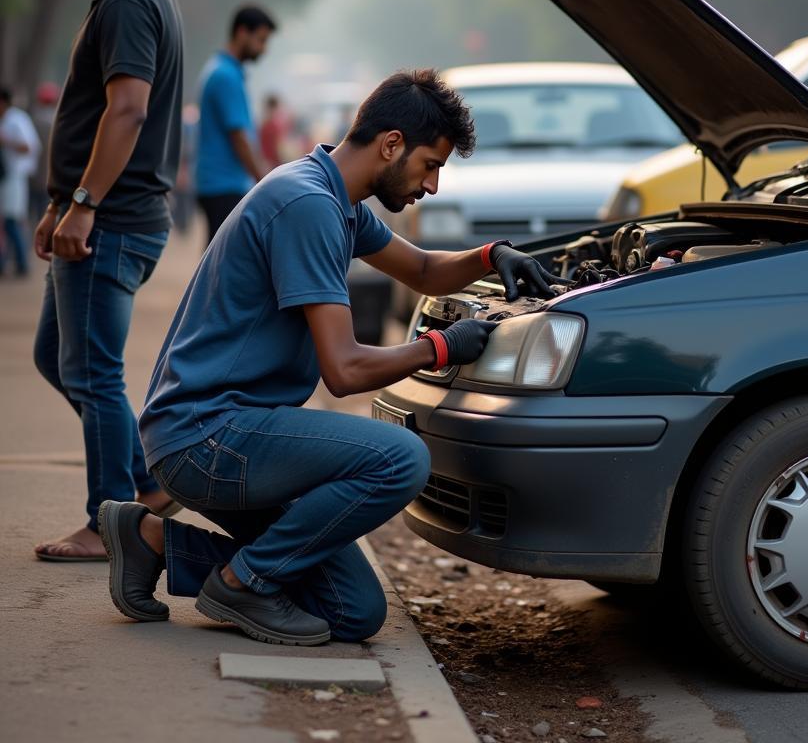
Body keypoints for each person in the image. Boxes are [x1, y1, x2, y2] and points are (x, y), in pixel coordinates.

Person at [97, 69, 567, 645]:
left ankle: (149, 541)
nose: (433, 186)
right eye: (431, 165)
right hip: (209, 439)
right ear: (391, 144)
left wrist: (492, 255)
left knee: (353, 612)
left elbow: (419, 269)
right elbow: (342, 372)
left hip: (228, 434)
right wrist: (440, 347)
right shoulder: (308, 206)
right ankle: (242, 583)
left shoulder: (332, 196)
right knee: (401, 458)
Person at [32, 0, 184, 561]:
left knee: (92, 371)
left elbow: (127, 110)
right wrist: (62, 202)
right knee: (57, 357)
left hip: (115, 220)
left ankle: (109, 522)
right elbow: (101, 110)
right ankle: (143, 487)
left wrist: (85, 205)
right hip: (101, 213)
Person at [194, 5, 276, 243]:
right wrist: (264, 179)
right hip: (224, 185)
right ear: (242, 32)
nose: (263, 48)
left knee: (218, 256)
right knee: (222, 261)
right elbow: (239, 137)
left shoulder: (221, 70)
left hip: (217, 183)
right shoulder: (226, 76)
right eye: (260, 40)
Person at [0, 87, 41, 277]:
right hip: (5, 177)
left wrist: (6, 141)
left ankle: (22, 262)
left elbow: (28, 147)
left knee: (12, 221)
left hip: (14, 177)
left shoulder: (16, 120)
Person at [29, 81, 60, 225]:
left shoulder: (33, 119)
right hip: (49, 176)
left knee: (30, 211)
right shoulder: (57, 120)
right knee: (43, 214)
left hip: (32, 174)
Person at [258, 93, 288, 168]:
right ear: (276, 107)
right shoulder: (275, 125)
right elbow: (279, 148)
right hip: (275, 164)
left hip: (265, 162)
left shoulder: (263, 124)